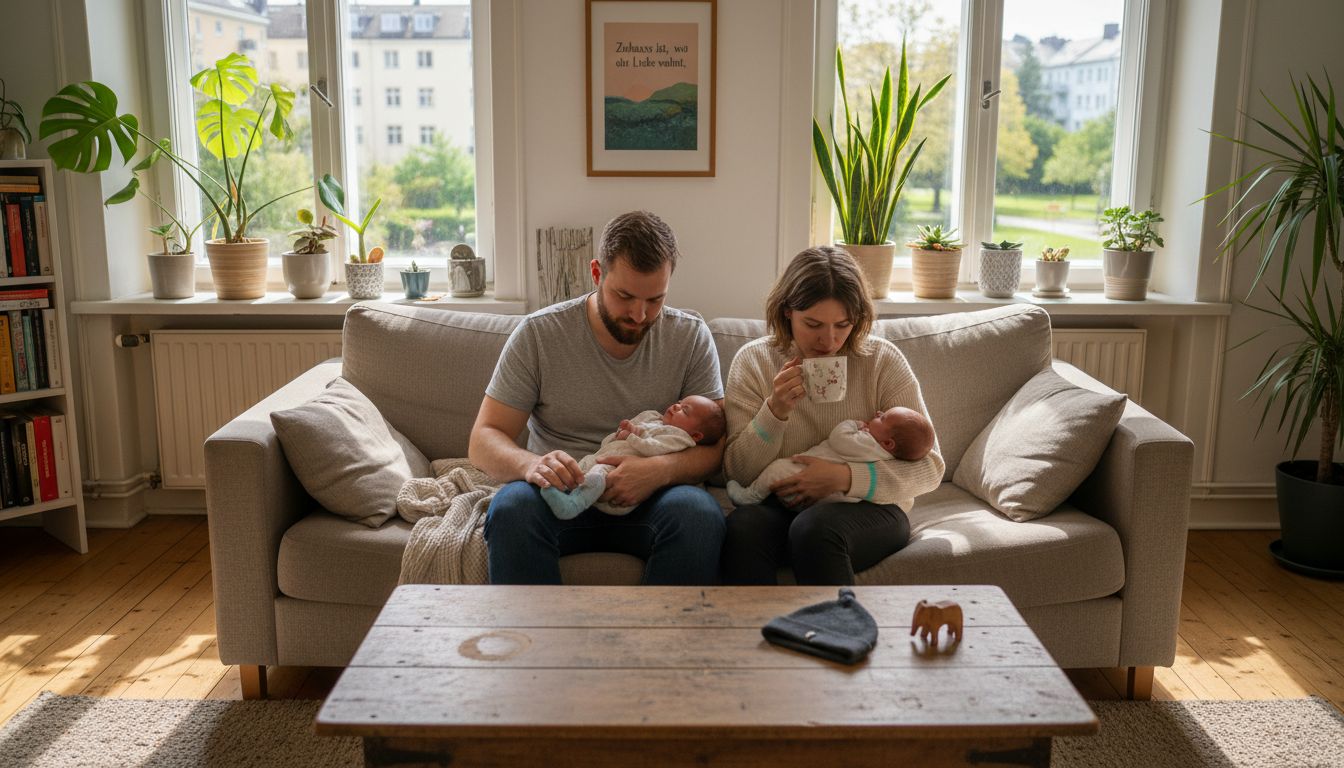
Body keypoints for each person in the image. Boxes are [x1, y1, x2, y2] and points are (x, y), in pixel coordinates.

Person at [470, 210, 726, 585]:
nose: (639, 315)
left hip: (653, 499)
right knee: (511, 508)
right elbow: (484, 437)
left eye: (655, 300)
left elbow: (717, 446)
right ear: (596, 274)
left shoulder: (689, 337)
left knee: (699, 514)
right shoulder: (539, 335)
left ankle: (661, 645)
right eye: (625, 296)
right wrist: (531, 466)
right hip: (561, 495)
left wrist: (660, 471)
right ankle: (537, 643)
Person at [720, 246, 946, 585]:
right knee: (743, 527)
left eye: (843, 325)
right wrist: (775, 411)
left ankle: (839, 634)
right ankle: (751, 636)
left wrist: (844, 477)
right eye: (813, 324)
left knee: (814, 529)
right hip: (782, 506)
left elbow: (930, 468)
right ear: (786, 313)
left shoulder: (882, 360)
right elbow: (737, 471)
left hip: (871, 509)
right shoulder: (753, 362)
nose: (829, 340)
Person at [543, 395, 727, 519]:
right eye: (679, 403)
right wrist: (622, 433)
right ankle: (564, 490)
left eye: (684, 410)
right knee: (581, 466)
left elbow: (653, 449)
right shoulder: (653, 418)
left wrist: (632, 436)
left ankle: (573, 505)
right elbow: (610, 443)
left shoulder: (679, 438)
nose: (676, 406)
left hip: (623, 484)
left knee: (598, 473)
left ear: (696, 436)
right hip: (605, 458)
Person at [726, 406, 933, 506]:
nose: (878, 413)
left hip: (811, 481)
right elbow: (737, 466)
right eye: (813, 324)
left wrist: (853, 424)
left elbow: (839, 438)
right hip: (842, 501)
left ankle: (750, 496)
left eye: (883, 417)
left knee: (778, 468)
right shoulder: (885, 451)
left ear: (888, 443)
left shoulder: (868, 443)